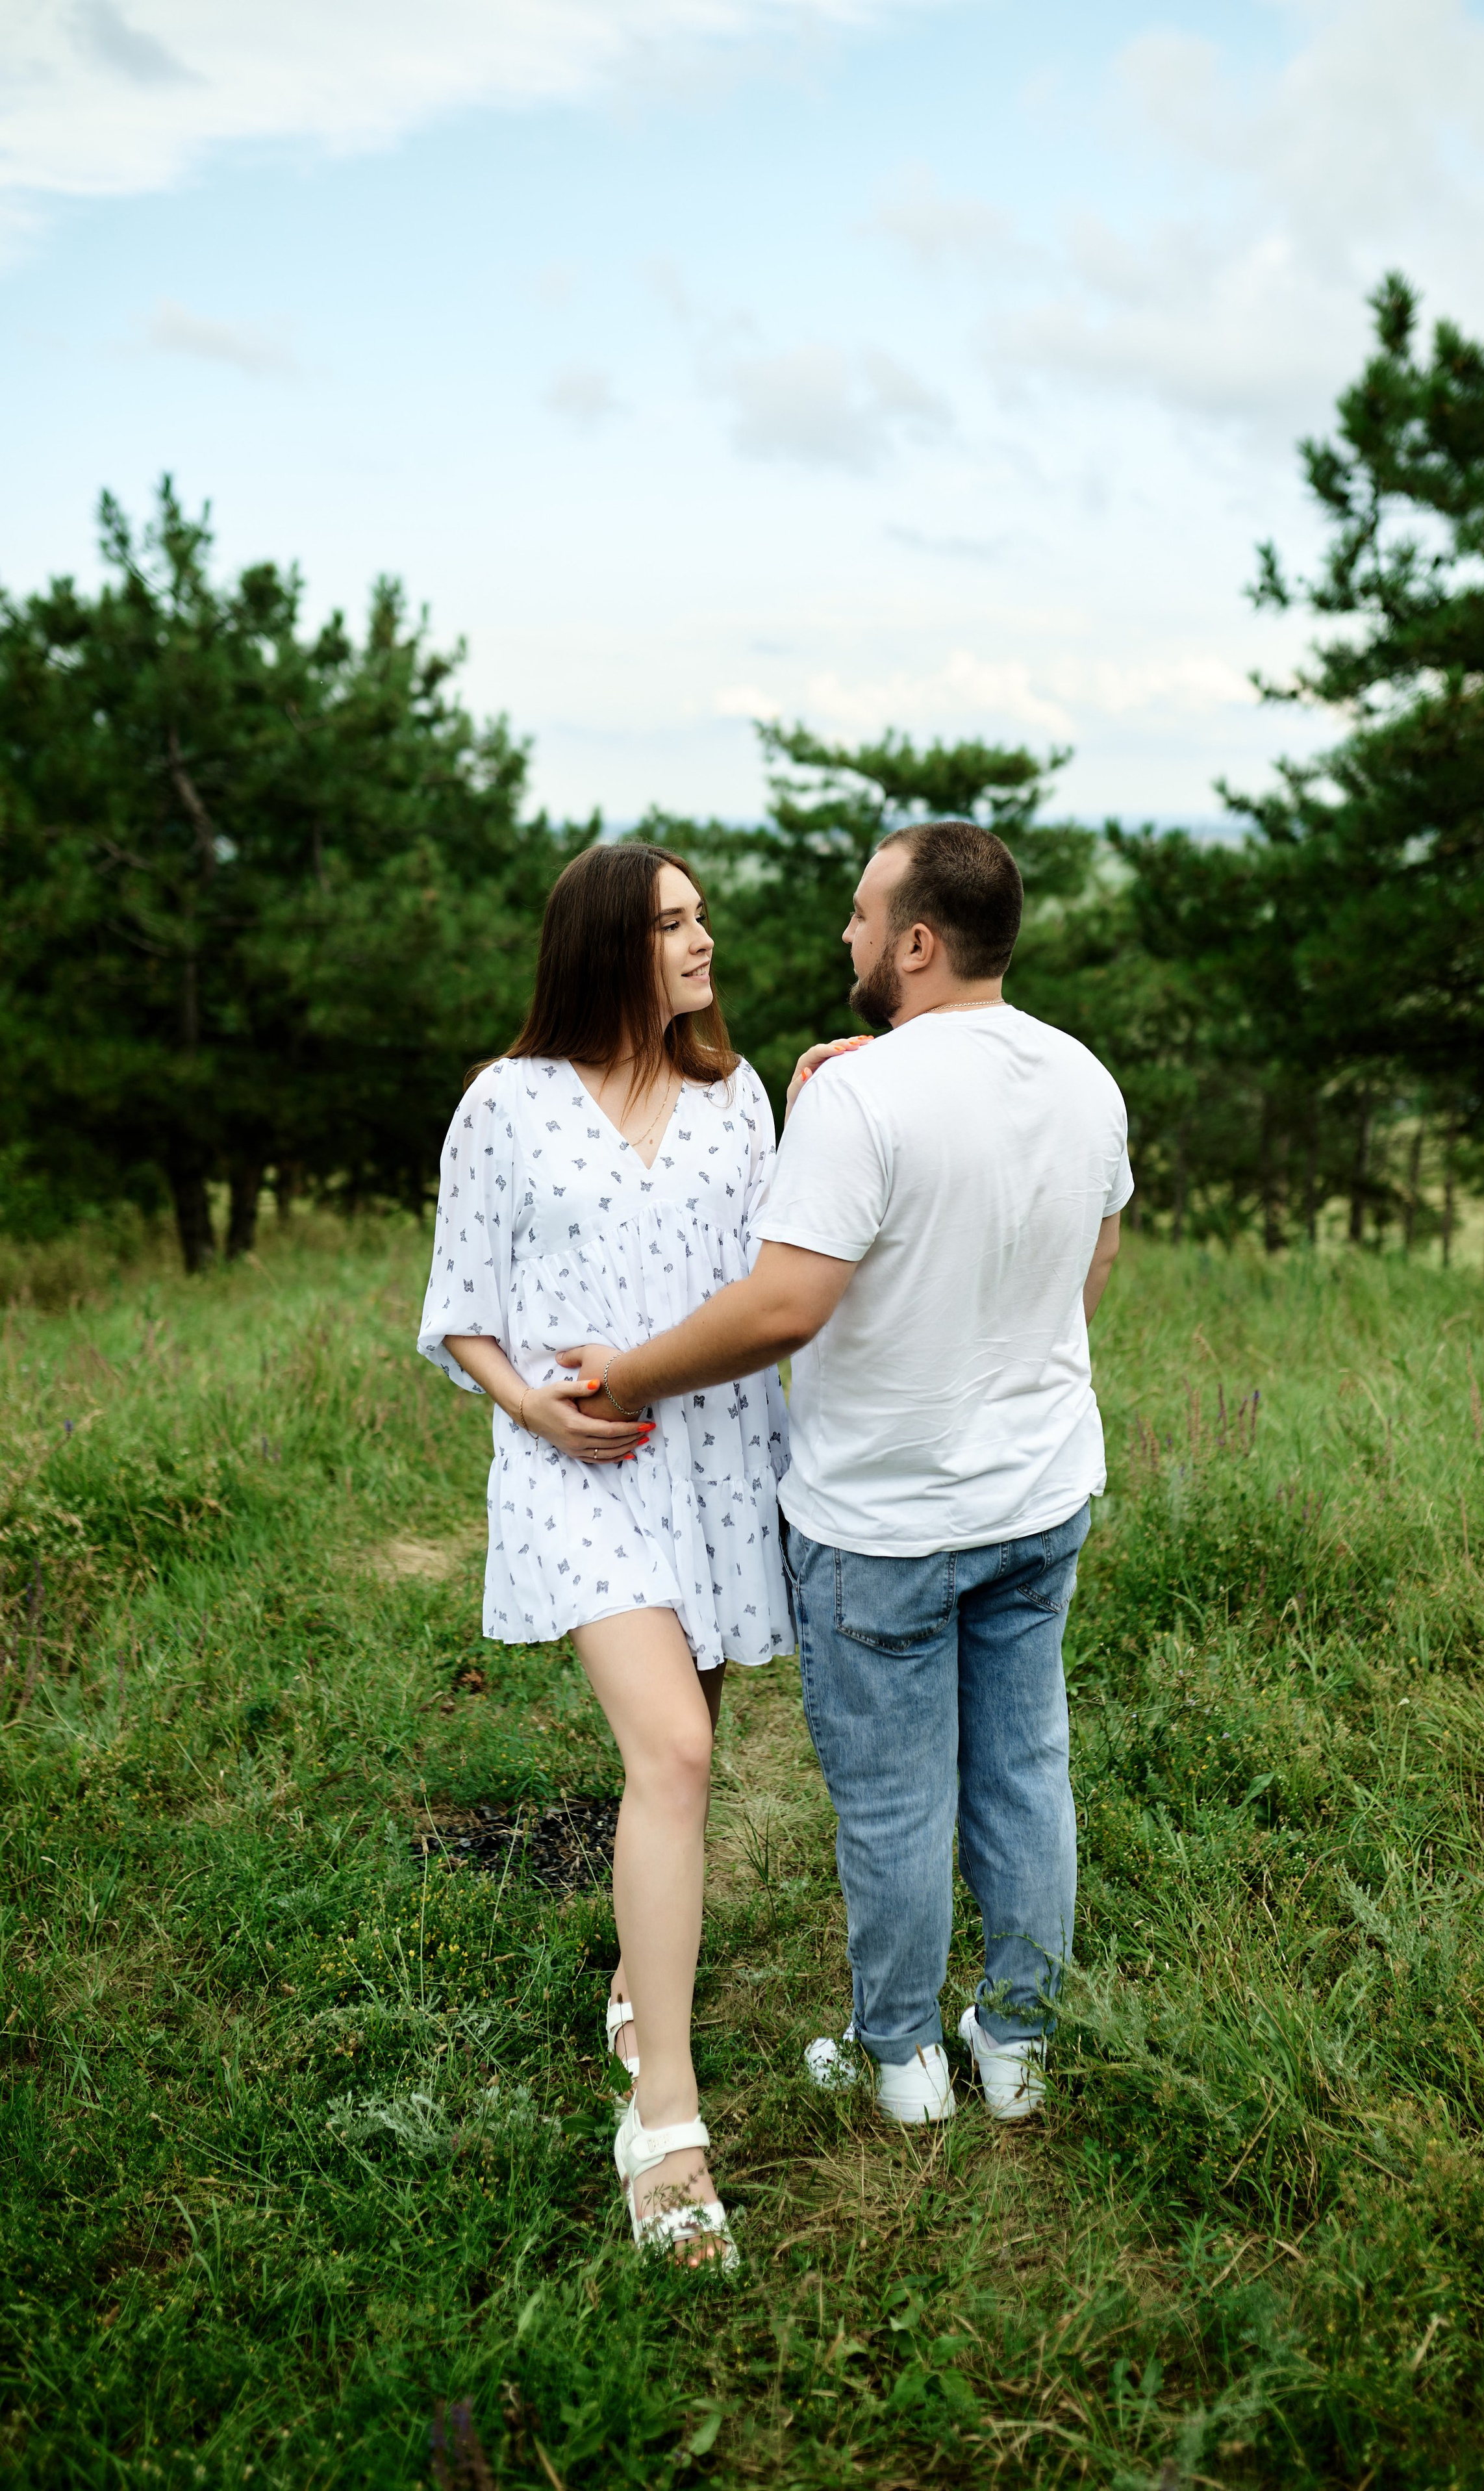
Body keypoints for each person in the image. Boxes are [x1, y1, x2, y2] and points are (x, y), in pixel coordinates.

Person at [560, 817, 1131, 2127]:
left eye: (864, 914)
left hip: (882, 1519)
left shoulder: (857, 1099)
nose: (847, 933)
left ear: (917, 943)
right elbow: (1088, 1269)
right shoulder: (1082, 1076)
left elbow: (780, 1309)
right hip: (1041, 1498)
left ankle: (901, 2062)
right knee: (1026, 1766)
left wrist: (630, 1376)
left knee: (893, 1795)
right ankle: (1014, 2044)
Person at [416, 841, 793, 2267]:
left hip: (717, 1463)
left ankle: (645, 1976)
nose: (705, 940)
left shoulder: (735, 1093)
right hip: (581, 1467)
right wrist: (535, 1411)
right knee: (675, 1754)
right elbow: (460, 1306)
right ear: (603, 948)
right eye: (673, 924)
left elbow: (779, 1277)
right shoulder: (504, 1104)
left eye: (703, 916)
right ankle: (665, 2119)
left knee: (695, 1731)